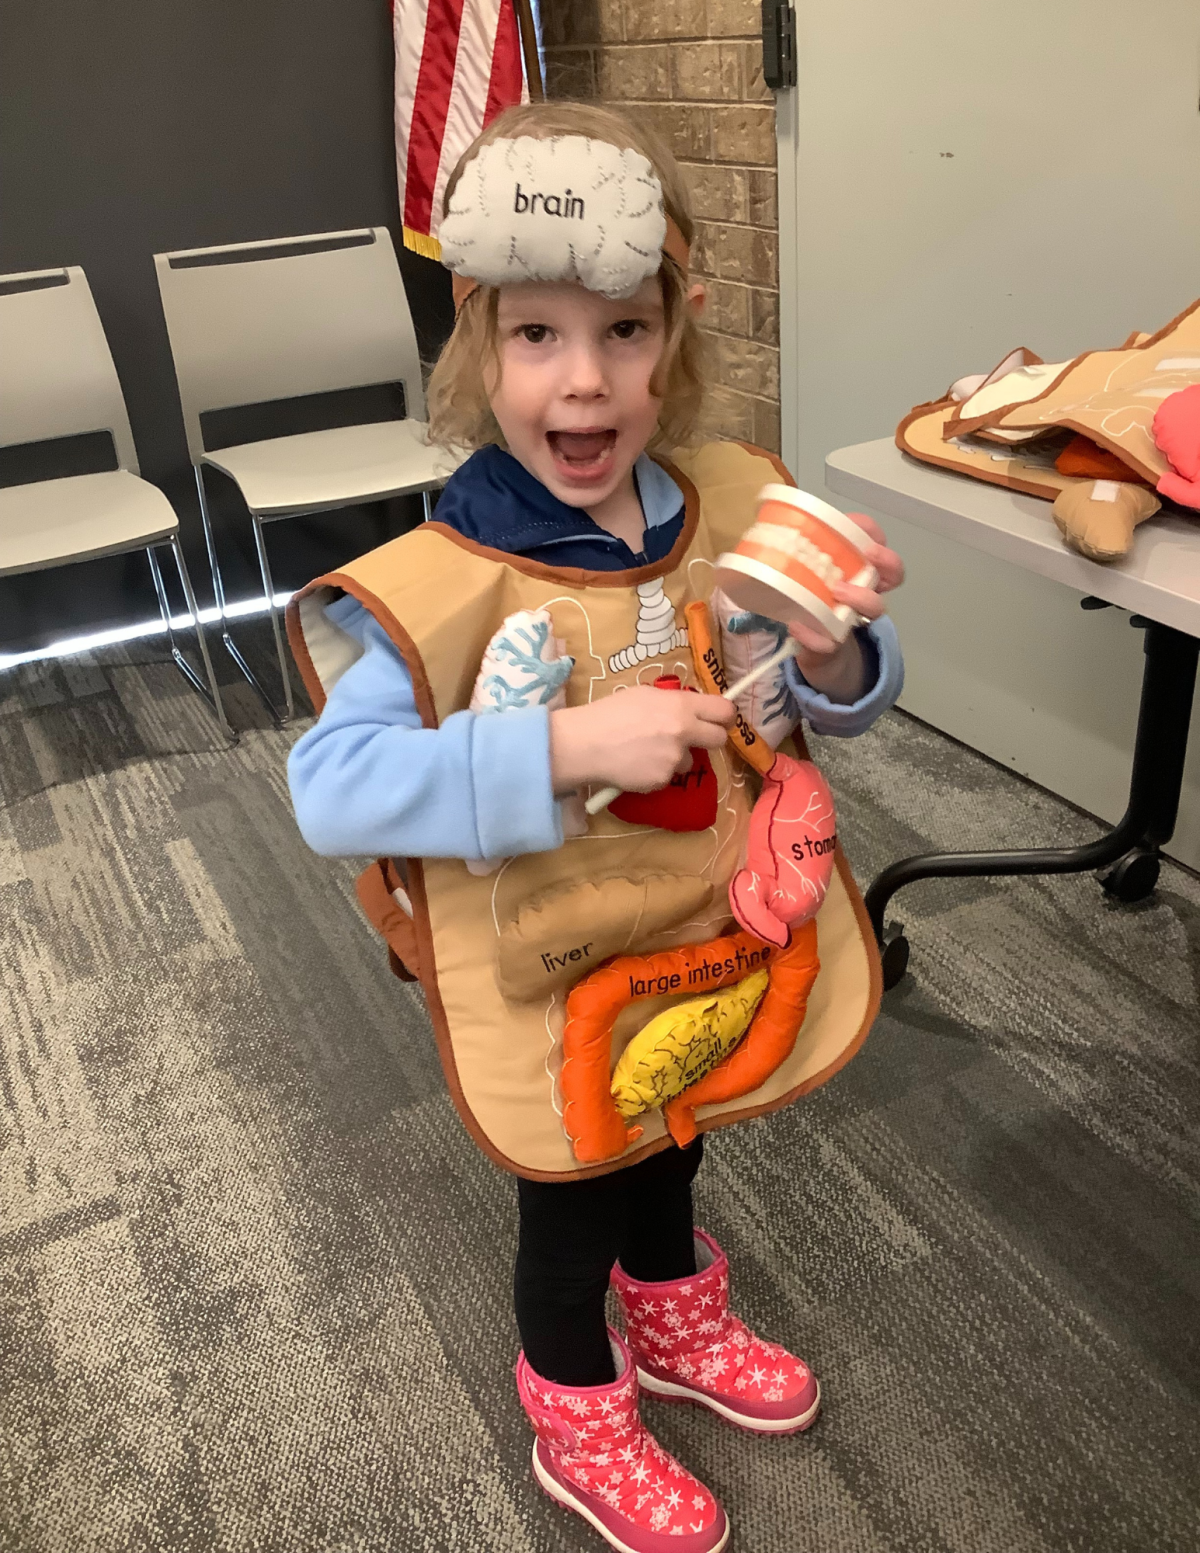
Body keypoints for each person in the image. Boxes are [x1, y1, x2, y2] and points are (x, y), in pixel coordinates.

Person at [287, 100, 904, 1553]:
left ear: (674, 335)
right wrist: (559, 746)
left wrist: (833, 659)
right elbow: (333, 789)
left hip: (703, 928)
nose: (585, 377)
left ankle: (675, 1310)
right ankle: (574, 1399)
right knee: (572, 1187)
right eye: (537, 336)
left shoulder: (725, 507)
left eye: (625, 331)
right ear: (476, 348)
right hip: (549, 962)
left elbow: (825, 702)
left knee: (676, 1128)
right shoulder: (441, 577)